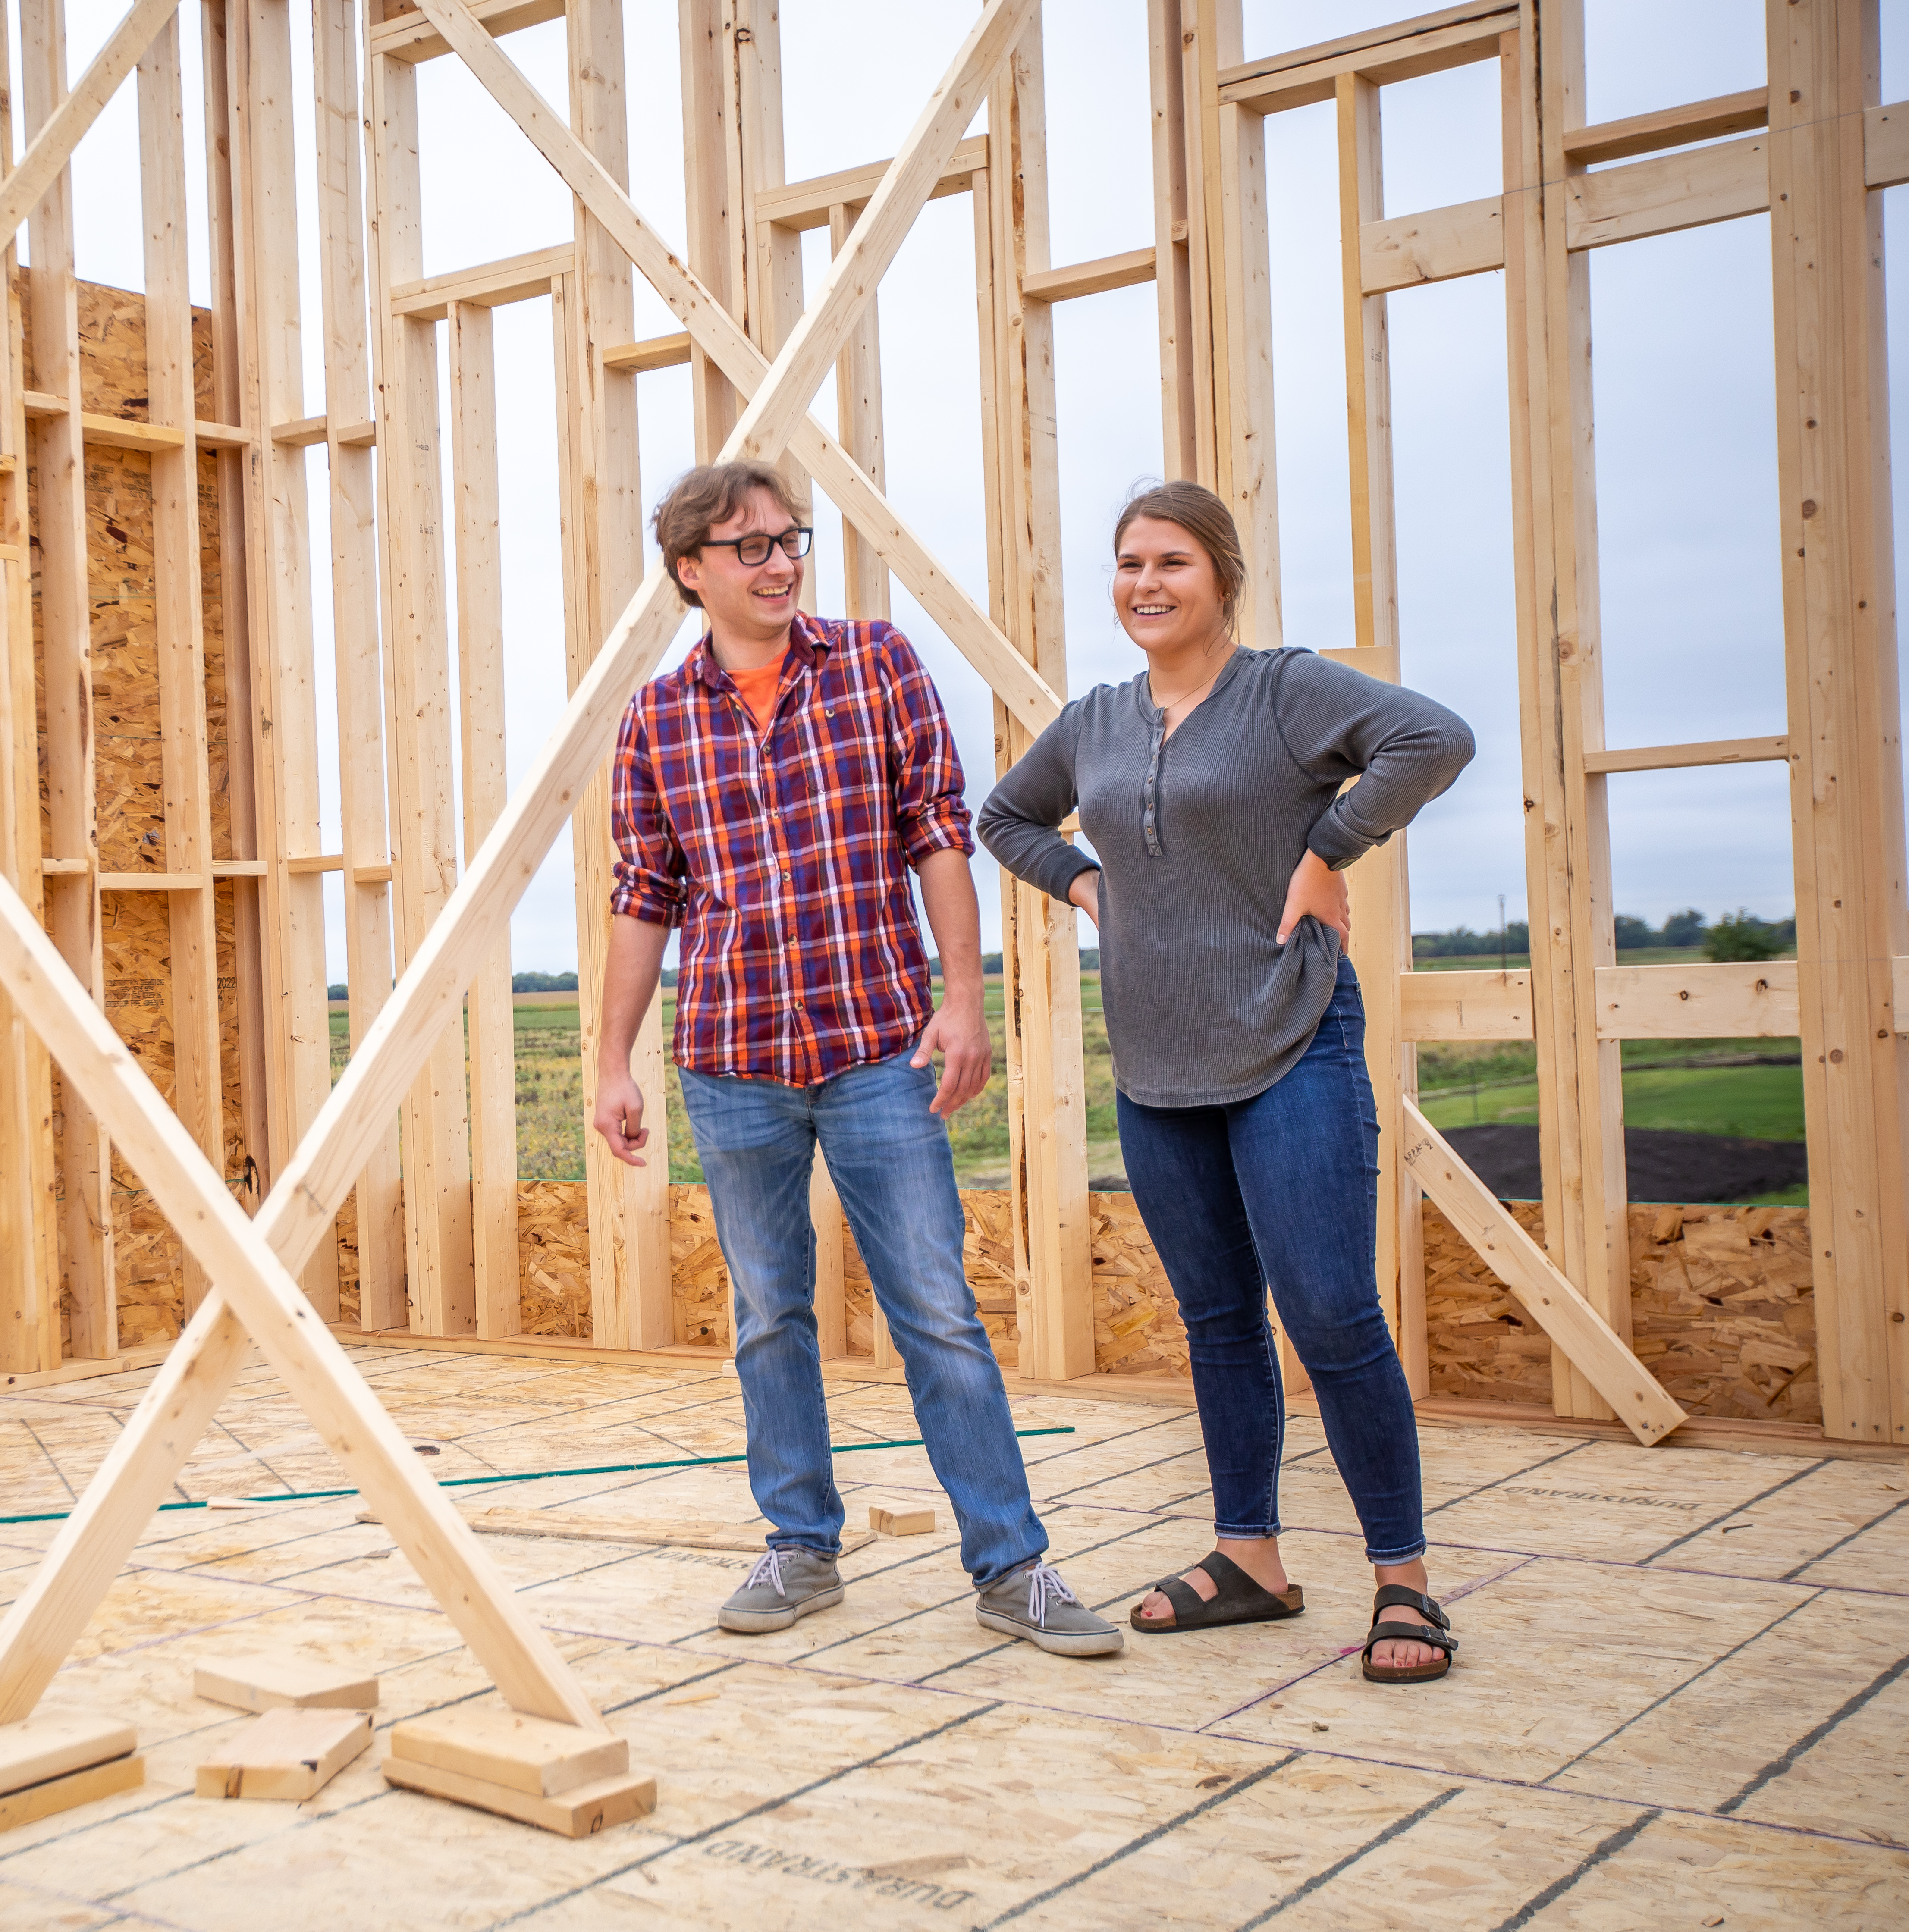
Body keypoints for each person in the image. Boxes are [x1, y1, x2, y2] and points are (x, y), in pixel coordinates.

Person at [592, 460, 1119, 1658]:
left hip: (877, 1046)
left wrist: (964, 1000)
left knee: (936, 1310)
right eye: (752, 548)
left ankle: (1012, 1566)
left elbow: (939, 831)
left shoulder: (875, 663)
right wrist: (612, 1060)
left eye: (792, 541)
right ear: (692, 572)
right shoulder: (659, 719)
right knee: (769, 1314)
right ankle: (800, 1547)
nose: (781, 564)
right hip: (729, 1059)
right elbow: (644, 895)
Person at [978, 480, 1474, 1684]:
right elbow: (1005, 817)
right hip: (1157, 1067)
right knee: (1215, 1321)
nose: (1147, 584)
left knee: (1332, 1315)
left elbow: (1433, 738)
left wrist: (1329, 850)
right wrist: (1088, 883)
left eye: (1174, 564)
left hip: (1287, 1039)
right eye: (1130, 564)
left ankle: (1403, 1582)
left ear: (1223, 578)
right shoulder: (1096, 721)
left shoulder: (1284, 690)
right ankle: (1248, 1559)